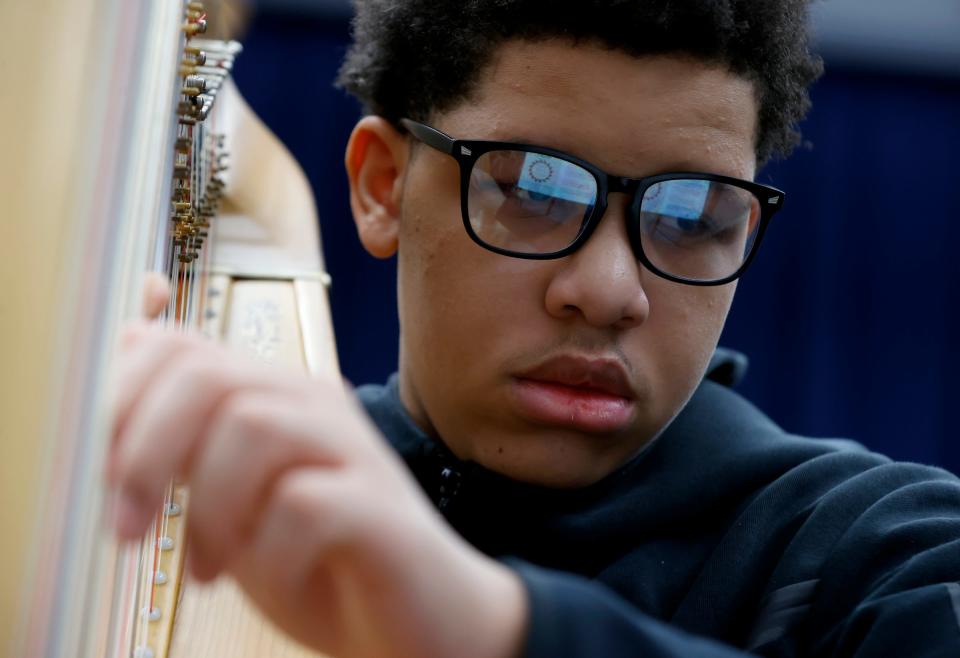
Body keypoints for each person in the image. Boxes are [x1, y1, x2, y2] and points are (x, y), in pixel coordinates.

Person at [108, 2, 960, 657]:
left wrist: (491, 625)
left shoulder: (883, 548)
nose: (609, 291)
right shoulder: (227, 485)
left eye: (693, 214)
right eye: (533, 190)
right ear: (380, 188)